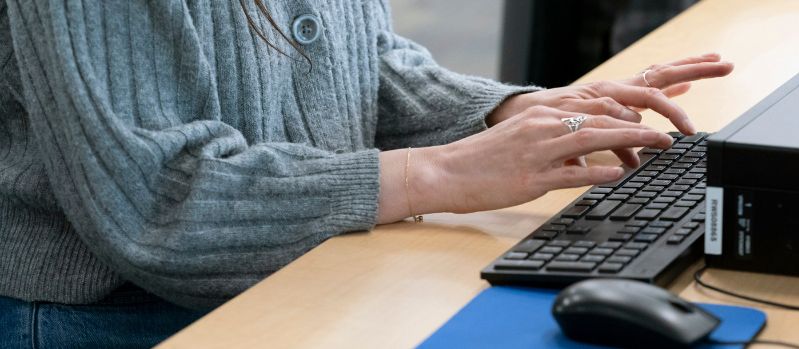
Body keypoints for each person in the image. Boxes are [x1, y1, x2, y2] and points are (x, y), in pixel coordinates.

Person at [0, 0, 733, 347]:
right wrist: (437, 173)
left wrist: (512, 113)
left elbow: (360, 59)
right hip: (120, 313)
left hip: (297, 267)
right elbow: (162, 197)